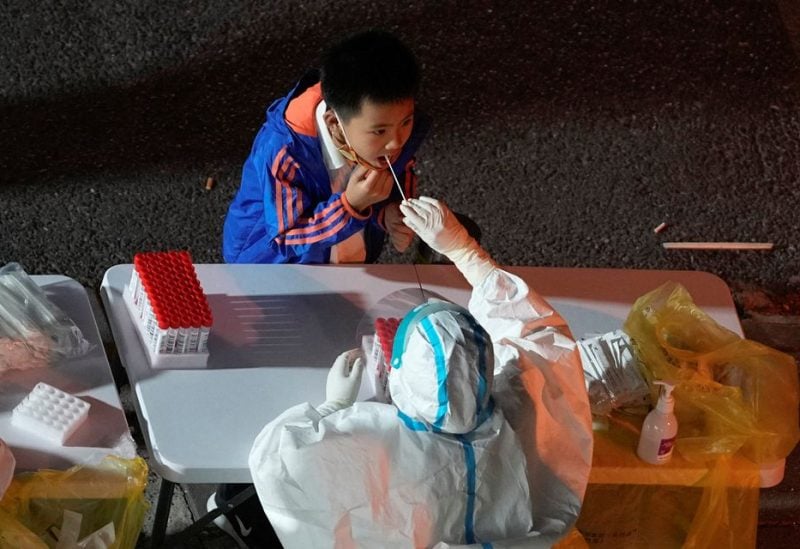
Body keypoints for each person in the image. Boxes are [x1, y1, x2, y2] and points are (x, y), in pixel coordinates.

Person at [247, 197, 594, 547]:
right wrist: (465, 251)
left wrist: (332, 407)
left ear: (399, 371)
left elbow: (277, 463)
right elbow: (540, 336)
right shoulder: (527, 413)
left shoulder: (378, 439)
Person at [222, 29, 428, 264]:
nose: (396, 142)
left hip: (348, 258)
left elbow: (401, 175)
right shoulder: (284, 151)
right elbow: (286, 237)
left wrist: (389, 214)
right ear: (334, 124)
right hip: (271, 265)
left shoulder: (389, 124)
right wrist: (351, 205)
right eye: (379, 131)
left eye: (407, 122)